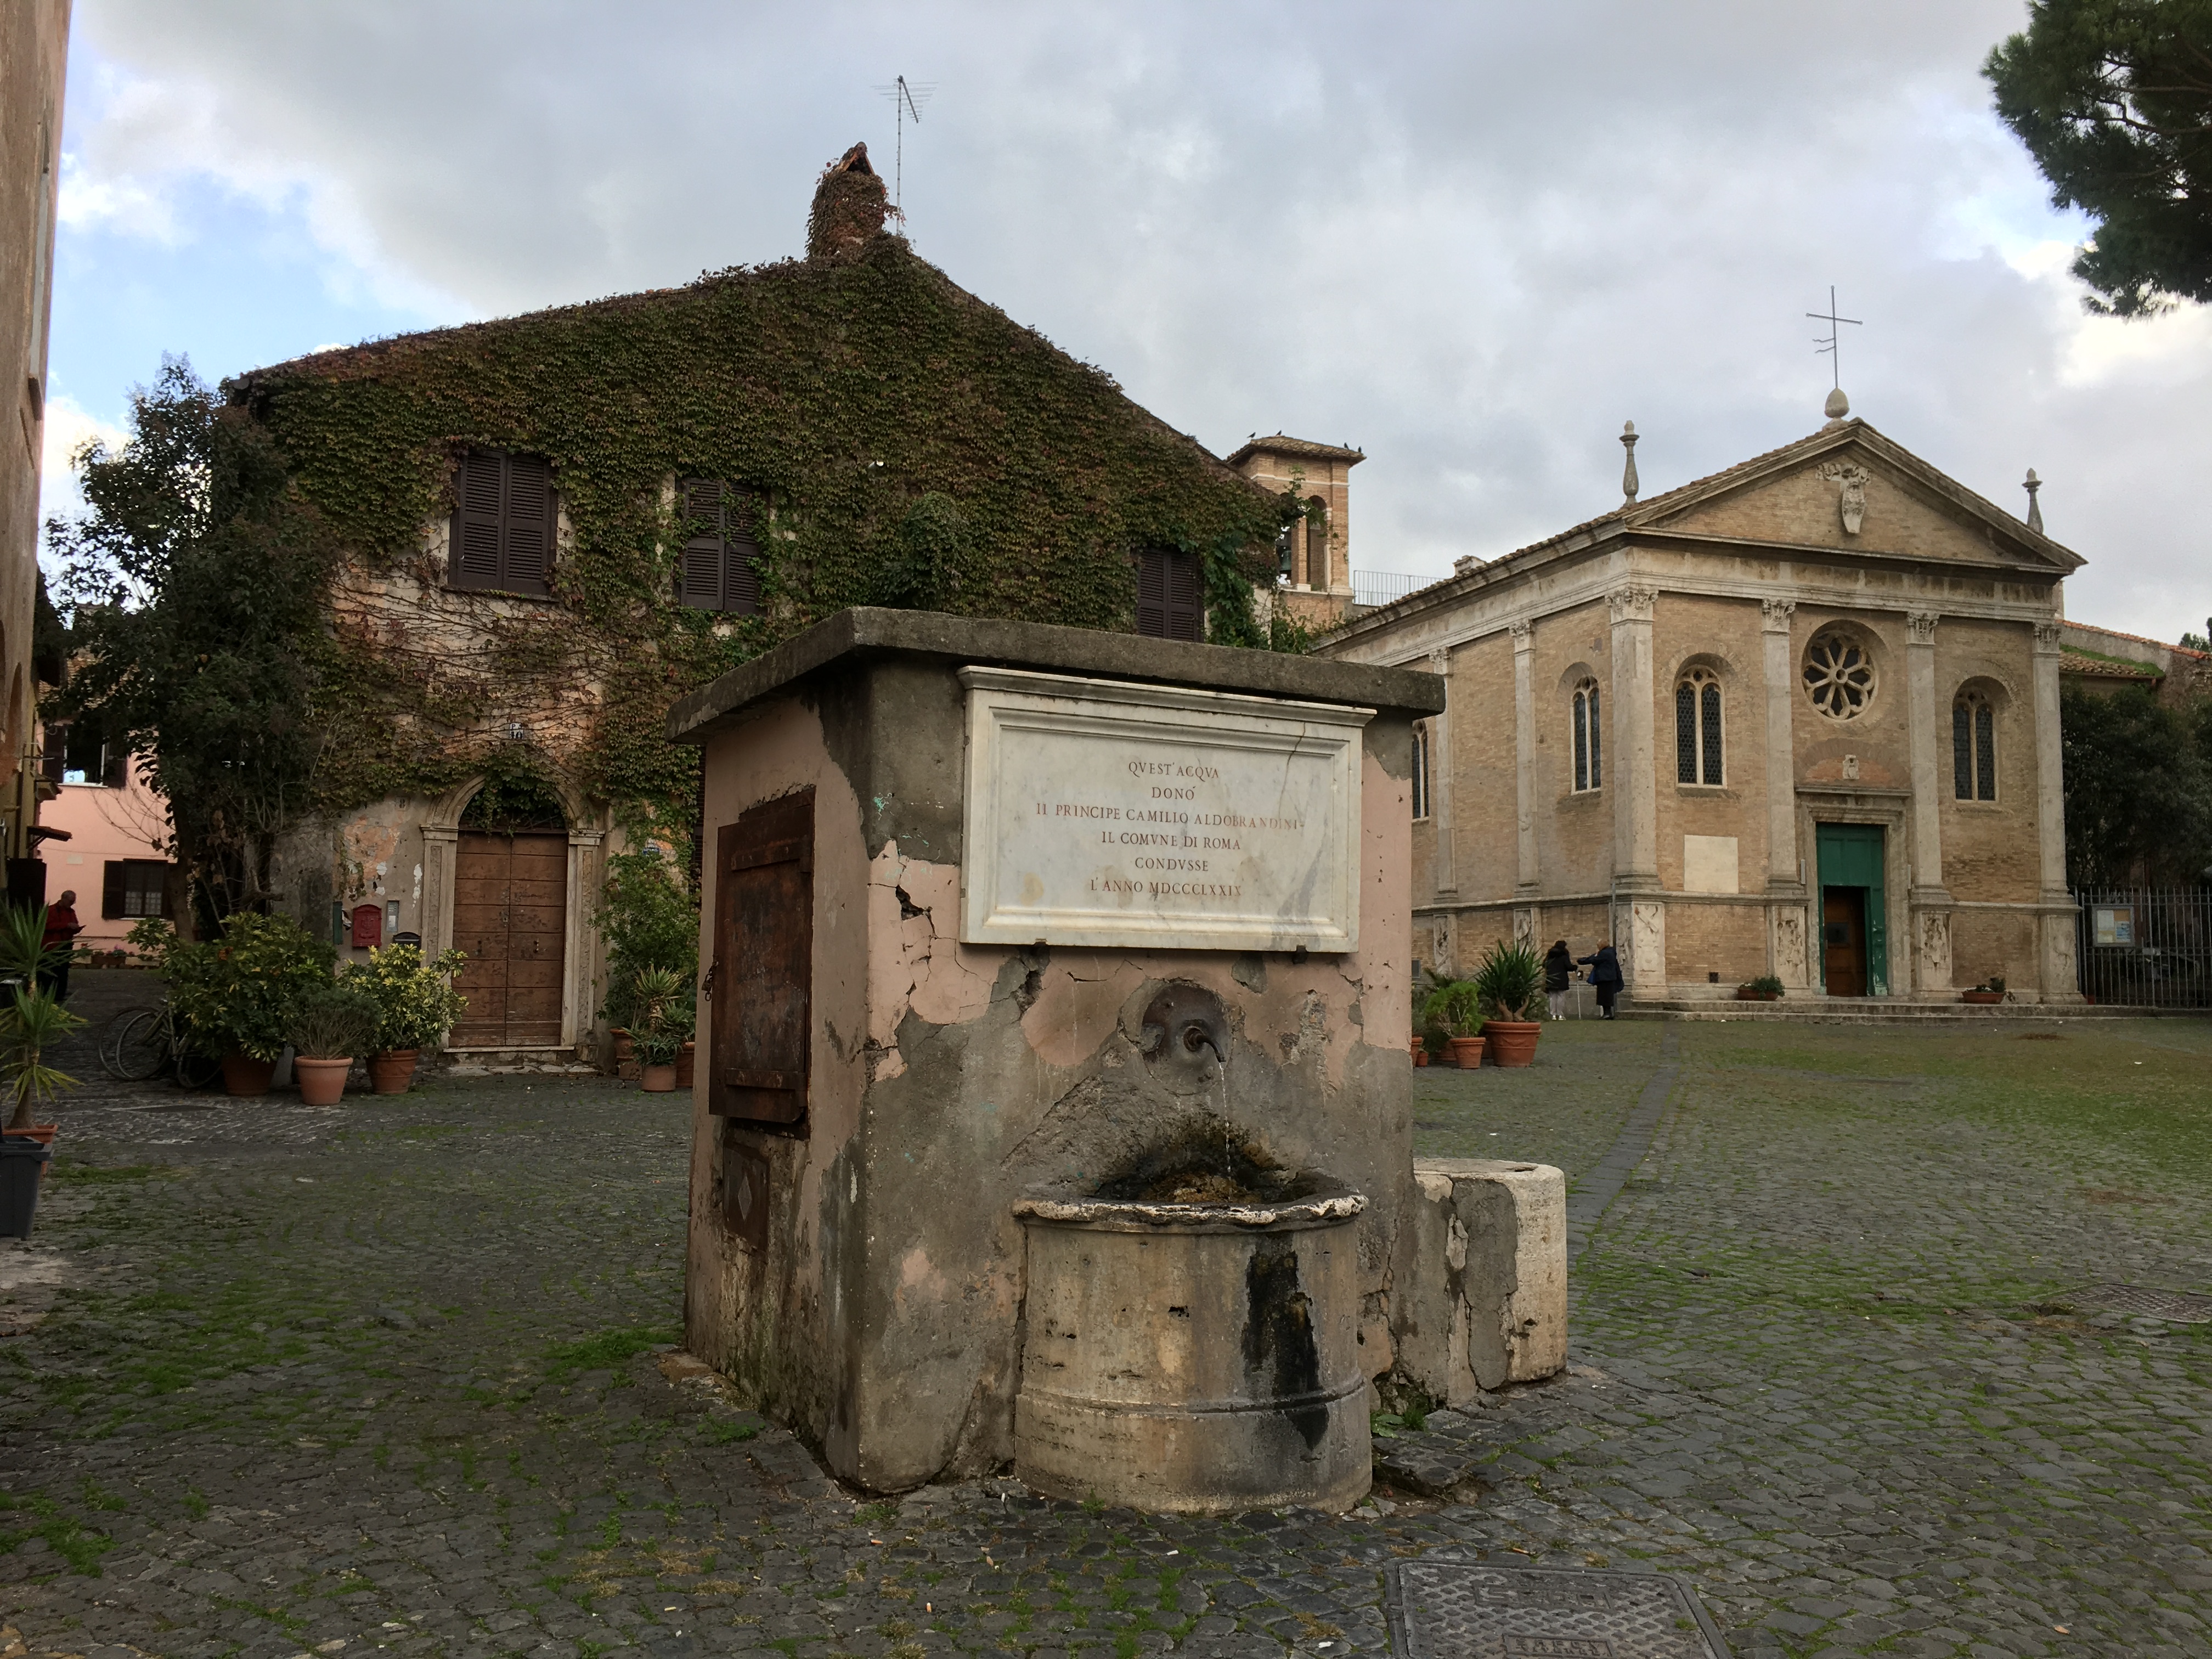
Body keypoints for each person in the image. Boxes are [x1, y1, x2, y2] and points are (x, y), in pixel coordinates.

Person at [40, 890, 82, 1003]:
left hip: (66, 945)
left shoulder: (71, 912)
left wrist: (76, 928)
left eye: (74, 902)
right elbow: (47, 925)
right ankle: (47, 994)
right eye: (71, 901)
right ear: (63, 899)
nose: (72, 904)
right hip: (51, 947)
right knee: (50, 971)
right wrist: (66, 925)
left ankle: (60, 995)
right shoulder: (51, 910)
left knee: (63, 972)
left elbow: (74, 923)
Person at [1577, 941, 1624, 1019]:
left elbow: (1594, 959)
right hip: (1609, 977)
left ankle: (1607, 1014)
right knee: (1607, 996)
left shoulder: (1605, 953)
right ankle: (1608, 1013)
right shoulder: (1610, 952)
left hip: (1605, 978)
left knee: (1604, 997)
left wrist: (1581, 961)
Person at [1542, 939, 1576, 1020]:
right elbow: (1568, 966)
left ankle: (1553, 1014)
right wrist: (1575, 967)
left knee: (1552, 997)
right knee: (1561, 996)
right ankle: (1560, 1014)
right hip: (1562, 978)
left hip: (1551, 977)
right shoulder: (1564, 955)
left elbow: (1544, 965)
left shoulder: (1550, 955)